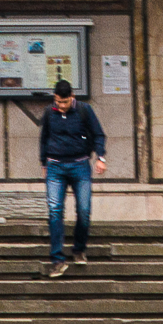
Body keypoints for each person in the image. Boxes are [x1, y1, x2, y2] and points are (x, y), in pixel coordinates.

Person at [35, 81, 104, 274]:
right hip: (55, 166)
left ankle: (79, 249)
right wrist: (44, 163)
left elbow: (99, 134)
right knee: (55, 211)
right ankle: (57, 259)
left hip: (80, 165)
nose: (62, 106)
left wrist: (101, 157)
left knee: (84, 210)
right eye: (58, 101)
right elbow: (44, 138)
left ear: (72, 96)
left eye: (65, 102)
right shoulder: (50, 112)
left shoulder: (84, 110)